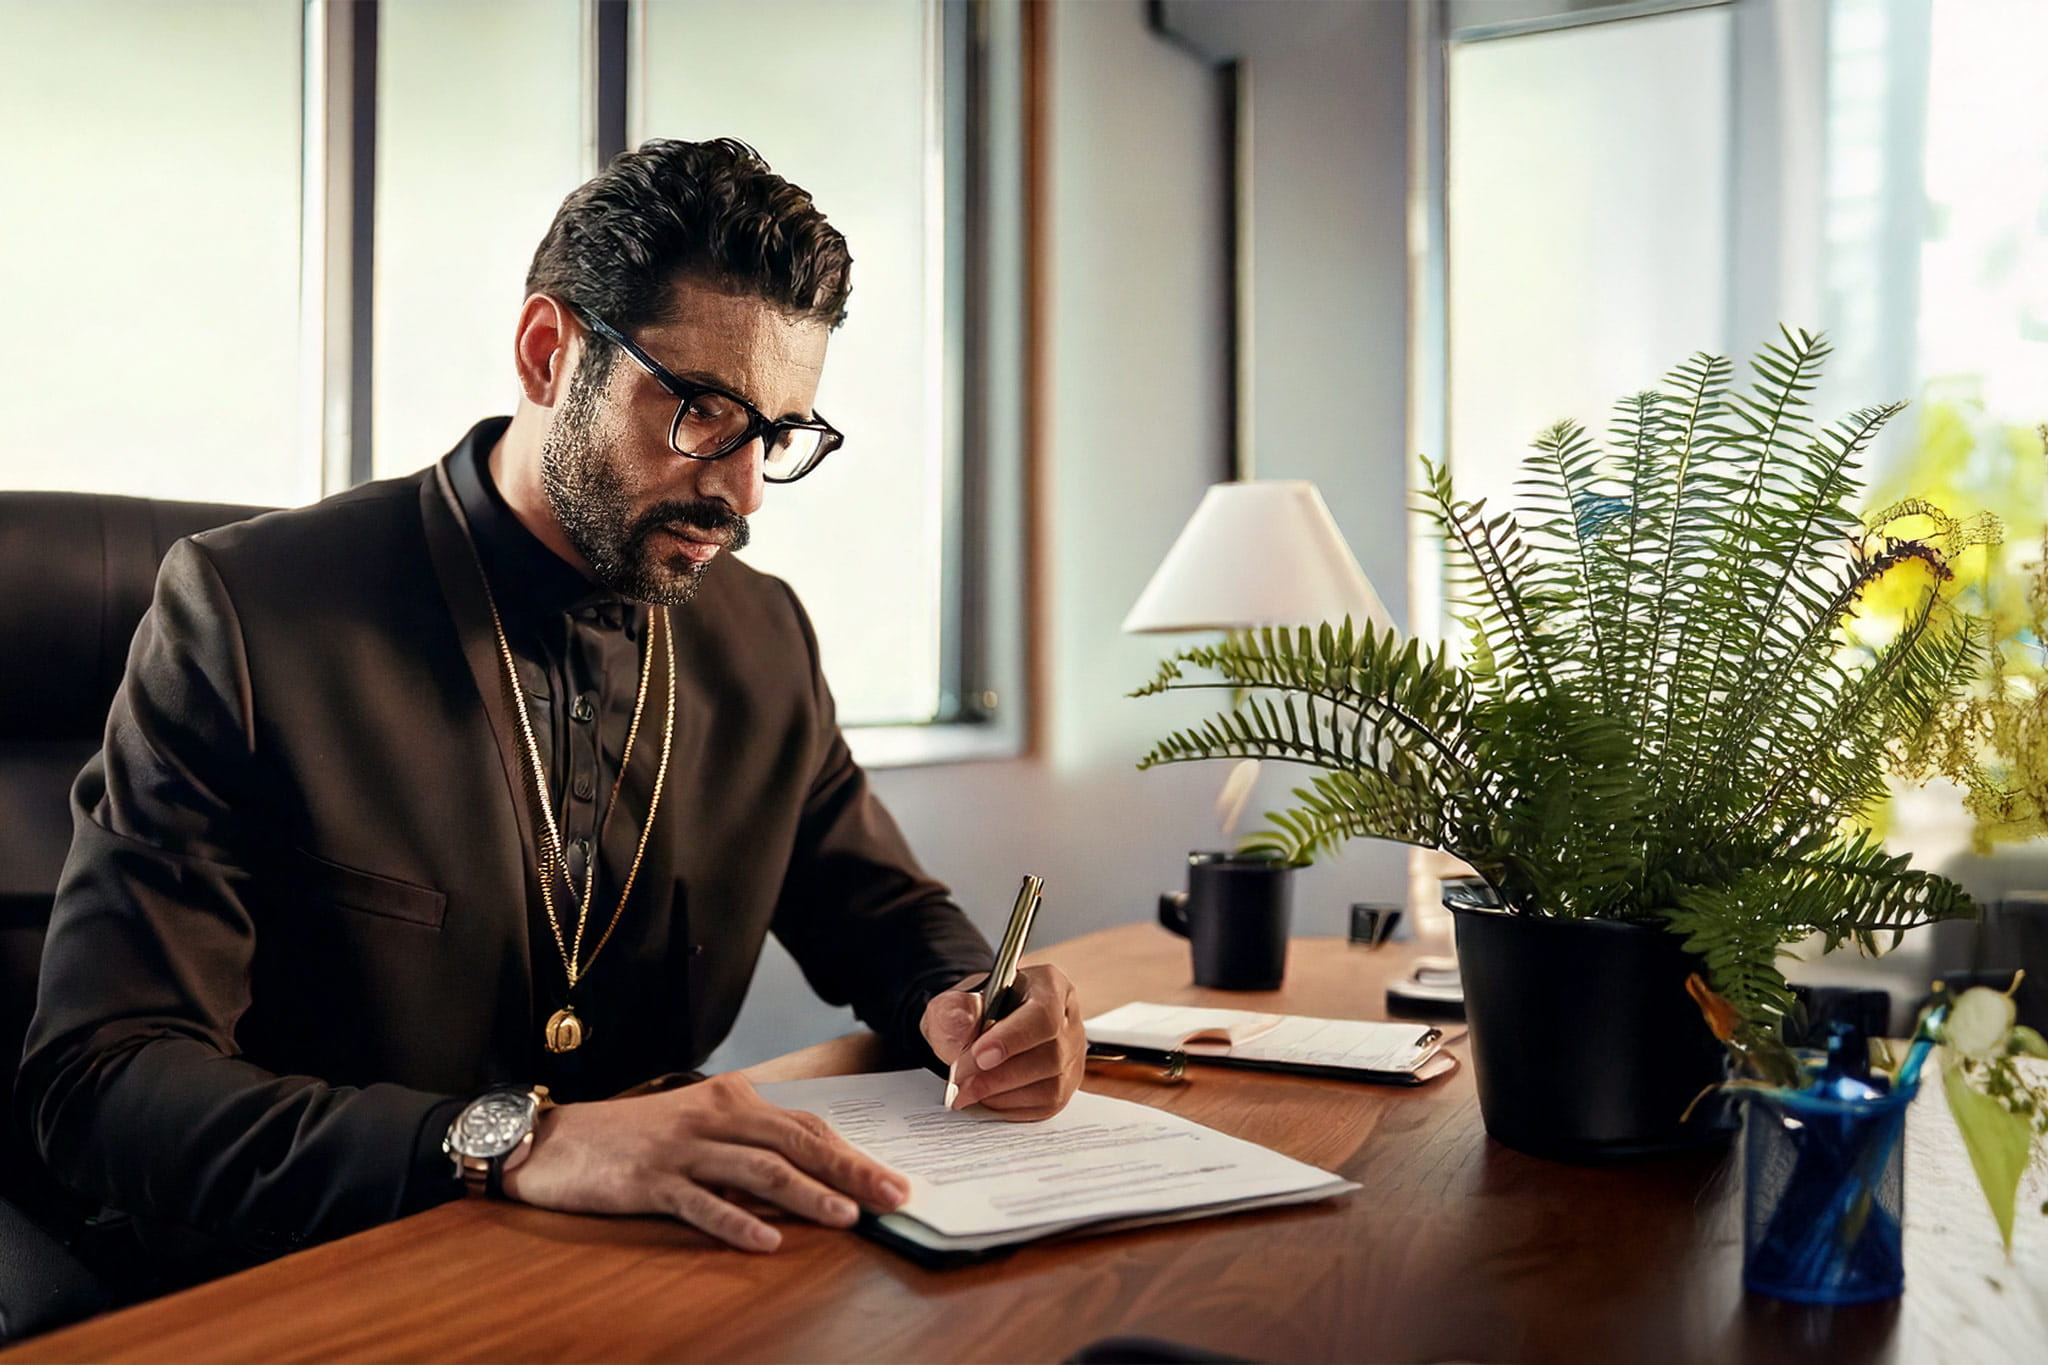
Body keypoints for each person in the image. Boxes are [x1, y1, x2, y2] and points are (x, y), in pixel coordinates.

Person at [18, 138, 1085, 1289]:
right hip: (316, 1276)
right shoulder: (250, 614)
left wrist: (972, 998)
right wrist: (525, 1142)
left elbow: (878, 906)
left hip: (645, 1270)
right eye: (704, 413)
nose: (739, 492)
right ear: (546, 353)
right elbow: (103, 1082)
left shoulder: (760, 635)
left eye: (776, 435)